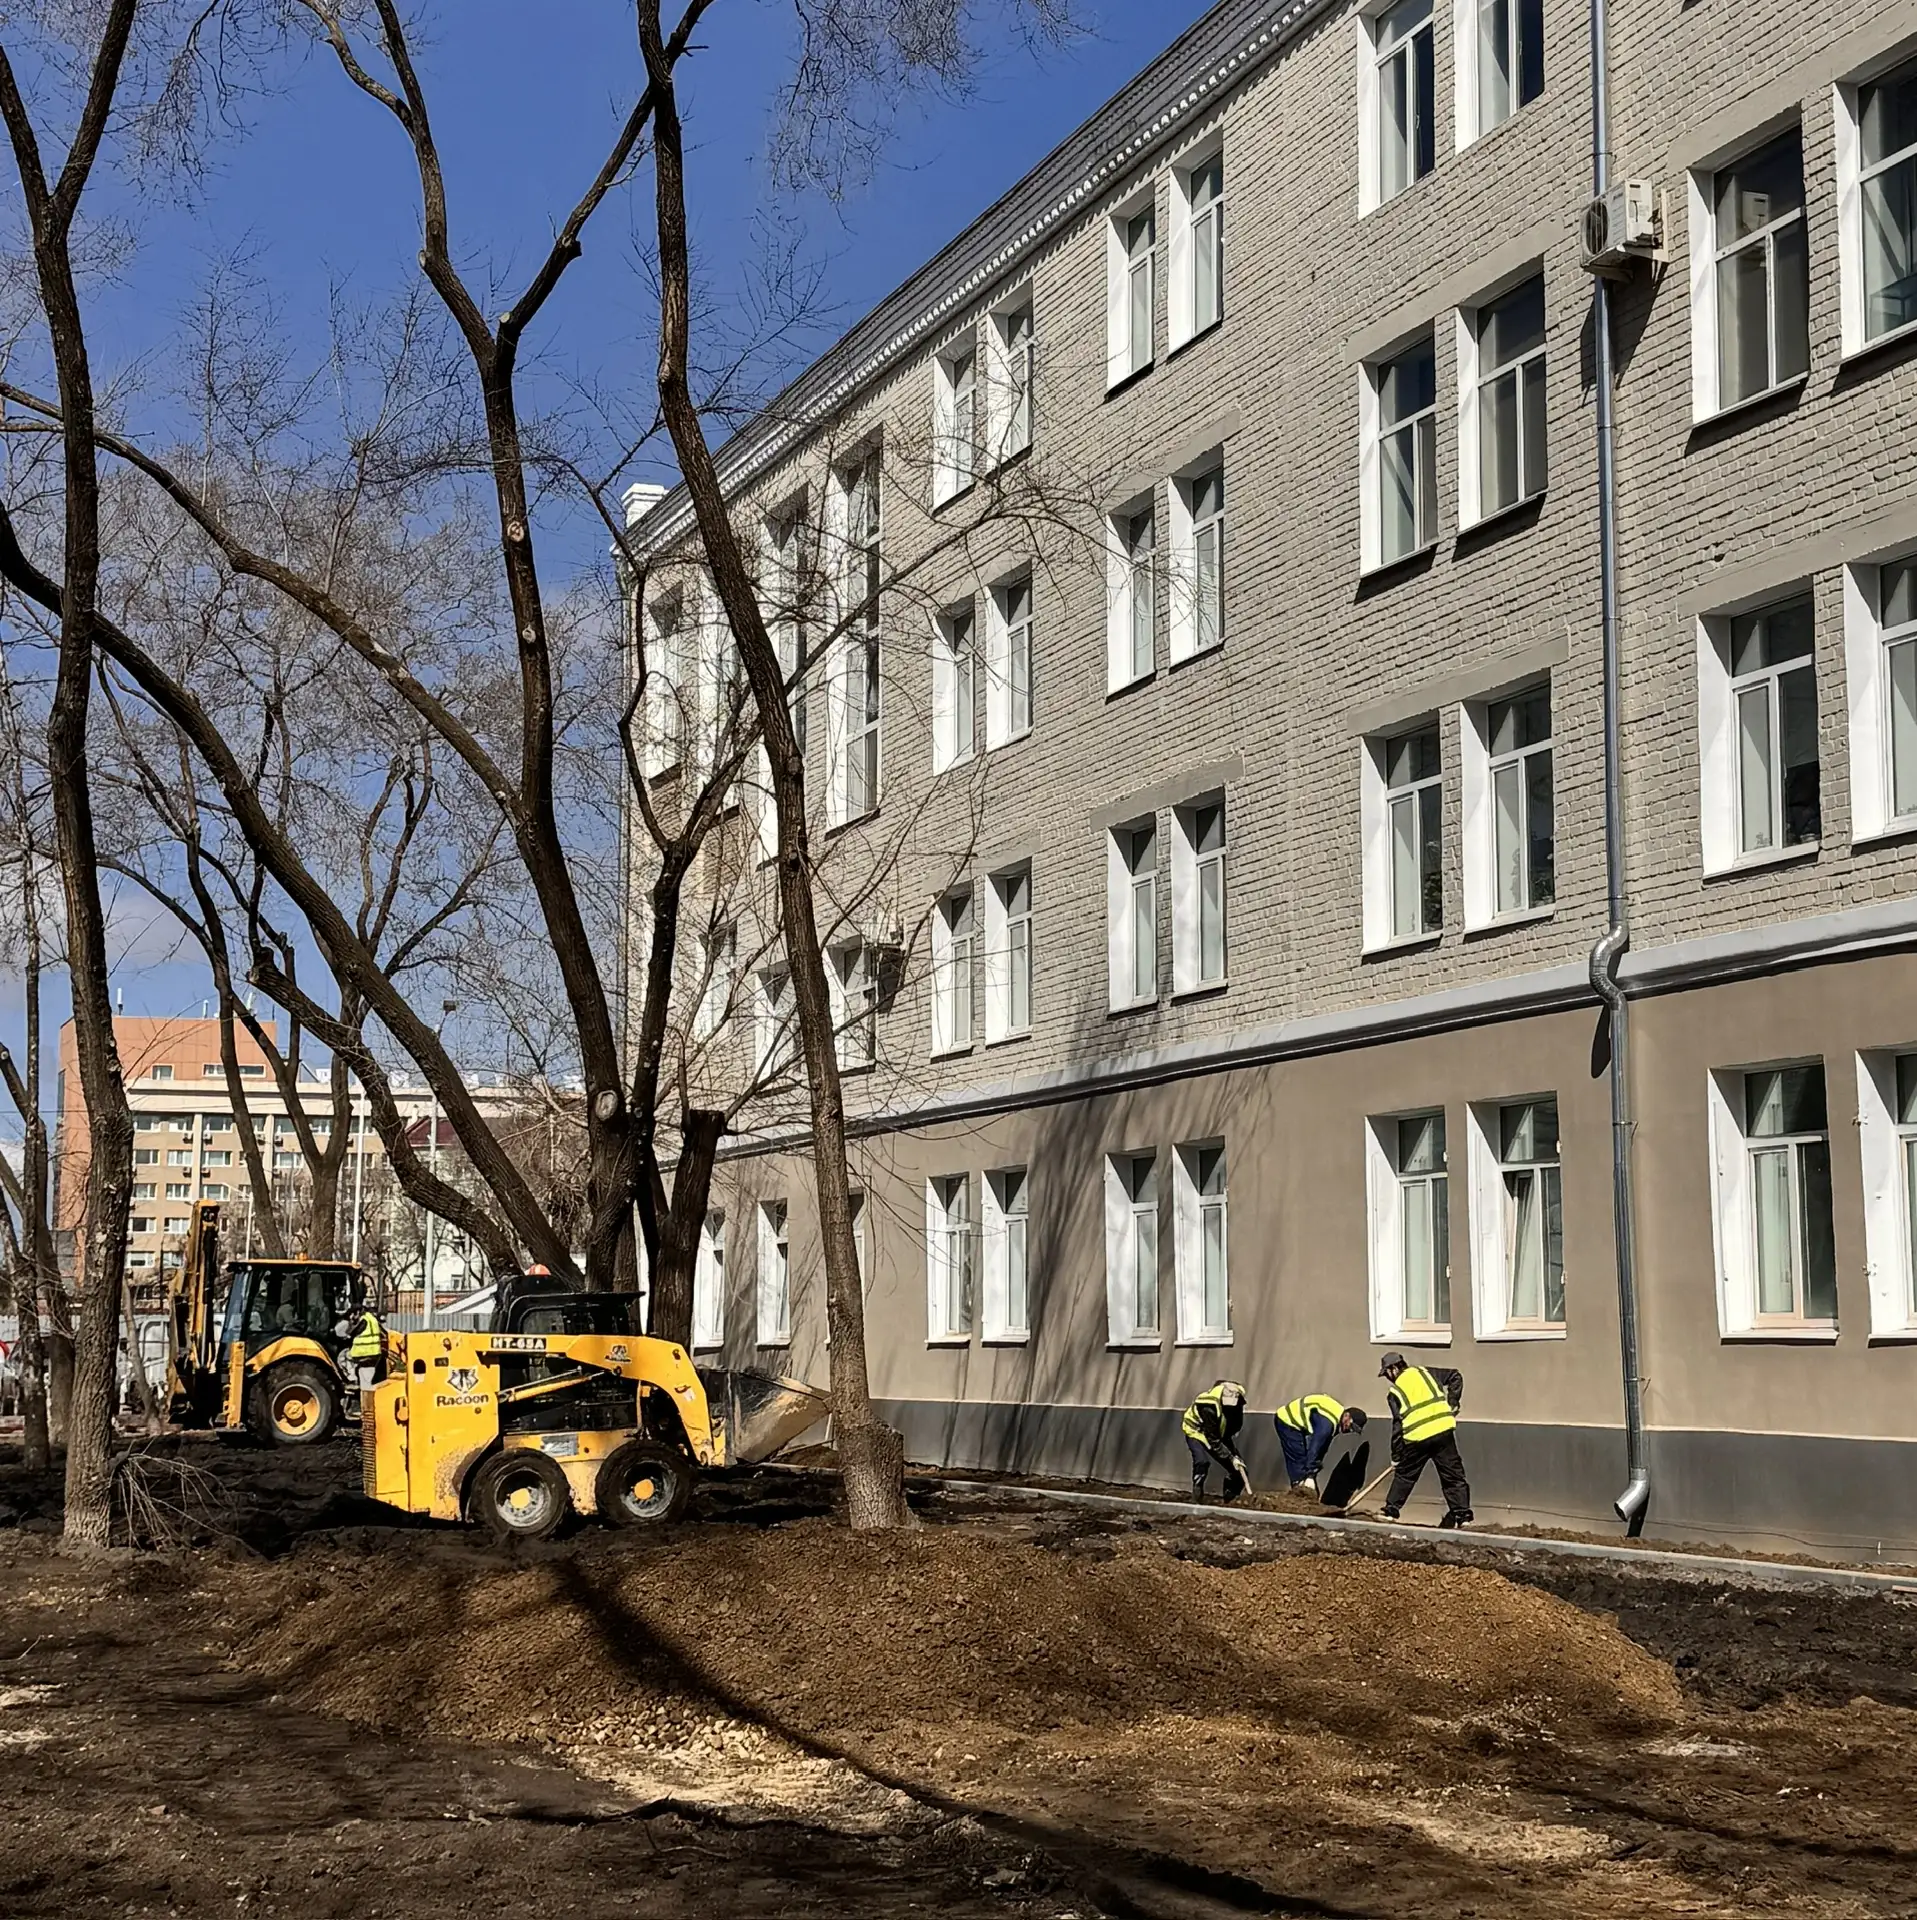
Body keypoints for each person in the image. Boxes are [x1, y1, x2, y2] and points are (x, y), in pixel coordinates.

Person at [1377, 1352, 1472, 1527]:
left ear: (1394, 1369)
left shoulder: (1394, 1392)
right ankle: (1463, 1516)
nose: (1388, 1378)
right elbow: (1455, 1376)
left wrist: (1396, 1456)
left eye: (1387, 1374)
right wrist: (1453, 1402)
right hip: (1443, 1432)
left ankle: (1391, 1511)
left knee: (1405, 1475)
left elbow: (1398, 1426)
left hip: (1417, 1438)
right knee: (1453, 1475)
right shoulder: (1426, 1372)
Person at [1272, 1394, 1367, 1496]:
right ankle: (1298, 1491)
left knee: (1305, 1461)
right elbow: (1315, 1447)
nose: (1350, 1430)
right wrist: (1310, 1474)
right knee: (1298, 1458)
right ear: (1347, 1416)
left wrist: (1313, 1470)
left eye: (1353, 1429)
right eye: (1351, 1426)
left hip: (1296, 1423)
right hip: (1287, 1421)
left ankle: (1303, 1489)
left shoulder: (1336, 1418)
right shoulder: (1326, 1425)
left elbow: (1322, 1448)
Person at [1181, 1380, 1250, 1502]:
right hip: (1196, 1432)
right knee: (1202, 1462)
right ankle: (1197, 1496)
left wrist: (1234, 1457)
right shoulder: (1208, 1408)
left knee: (1239, 1468)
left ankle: (1231, 1499)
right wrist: (1231, 1457)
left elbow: (1228, 1431)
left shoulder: (1237, 1405)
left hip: (1218, 1434)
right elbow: (1213, 1439)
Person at [347, 1305, 386, 1392]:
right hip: (374, 1352)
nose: (351, 1316)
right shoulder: (372, 1319)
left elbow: (353, 1332)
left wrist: (351, 1323)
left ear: (357, 1312)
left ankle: (351, 1378)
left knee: (346, 1356)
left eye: (352, 1314)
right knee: (367, 1376)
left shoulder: (364, 1320)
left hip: (364, 1352)